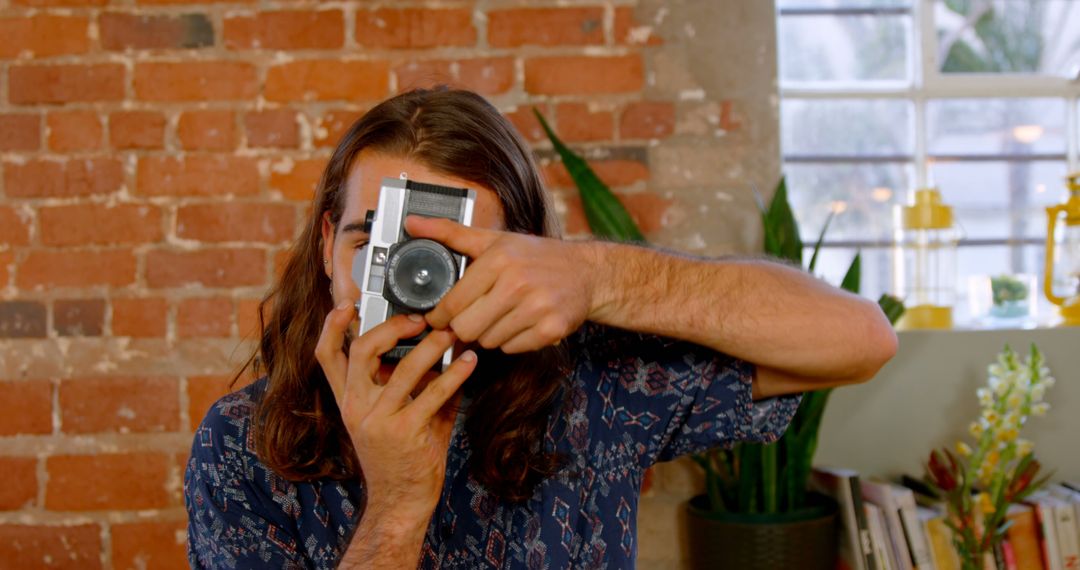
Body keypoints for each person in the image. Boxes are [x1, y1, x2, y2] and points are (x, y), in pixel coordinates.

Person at [184, 87, 897, 569]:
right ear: (323, 248)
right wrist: (397, 505)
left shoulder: (591, 385)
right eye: (371, 242)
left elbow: (861, 339)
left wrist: (598, 277)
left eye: (445, 257)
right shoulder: (242, 445)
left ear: (517, 255)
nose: (407, 282)